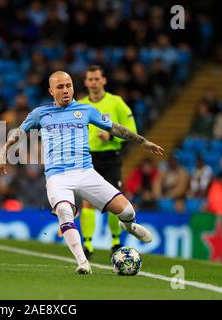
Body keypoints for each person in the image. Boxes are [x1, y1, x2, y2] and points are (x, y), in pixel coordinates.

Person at [0, 71, 164, 274]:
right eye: (60, 87)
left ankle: (129, 227)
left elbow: (115, 128)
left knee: (127, 212)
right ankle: (83, 262)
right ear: (51, 91)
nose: (65, 90)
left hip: (85, 173)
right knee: (64, 211)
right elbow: (19, 133)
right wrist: (2, 153)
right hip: (57, 176)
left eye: (68, 85)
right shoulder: (40, 113)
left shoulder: (85, 110)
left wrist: (143, 141)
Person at [78, 65, 138, 259]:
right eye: (90, 79)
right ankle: (87, 245)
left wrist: (112, 137)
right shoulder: (79, 105)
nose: (94, 82)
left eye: (97, 79)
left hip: (111, 158)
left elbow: (131, 130)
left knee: (114, 200)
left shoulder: (116, 103)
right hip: (88, 158)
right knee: (87, 202)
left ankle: (115, 242)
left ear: (104, 80)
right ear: (86, 82)